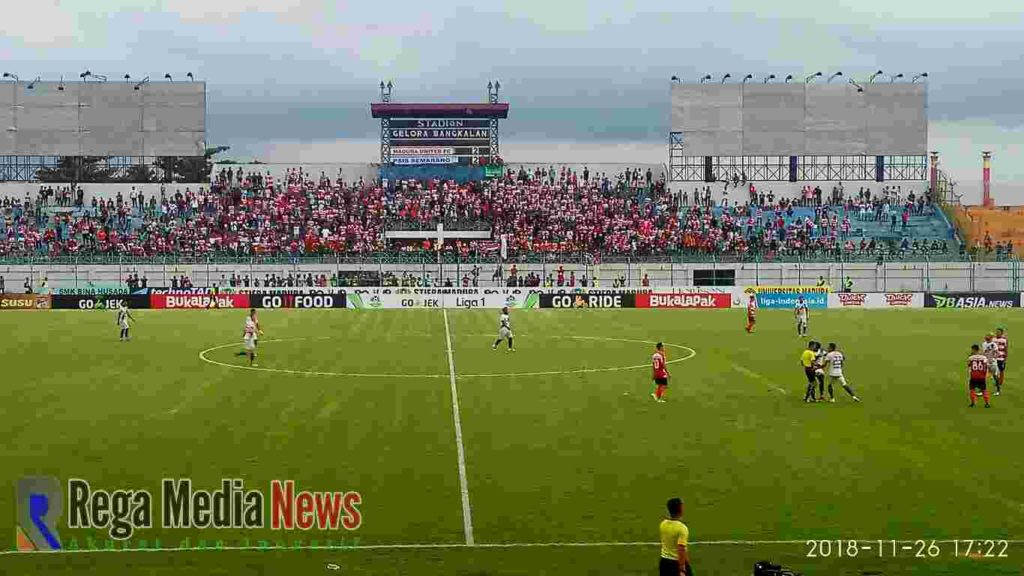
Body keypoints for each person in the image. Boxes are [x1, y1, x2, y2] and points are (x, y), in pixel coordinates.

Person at [659, 497, 692, 576]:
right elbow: (681, 549)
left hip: (664, 562)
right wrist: (682, 569)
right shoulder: (682, 528)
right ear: (681, 509)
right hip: (676, 564)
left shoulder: (663, 524)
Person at [994, 327, 1008, 395]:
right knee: (994, 371)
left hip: (1001, 358)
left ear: (1002, 333)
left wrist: (1005, 359)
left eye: (998, 332)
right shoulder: (993, 339)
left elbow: (1006, 349)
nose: (997, 333)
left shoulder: (1004, 339)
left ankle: (1000, 382)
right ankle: (996, 381)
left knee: (1001, 370)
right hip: (994, 358)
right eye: (996, 332)